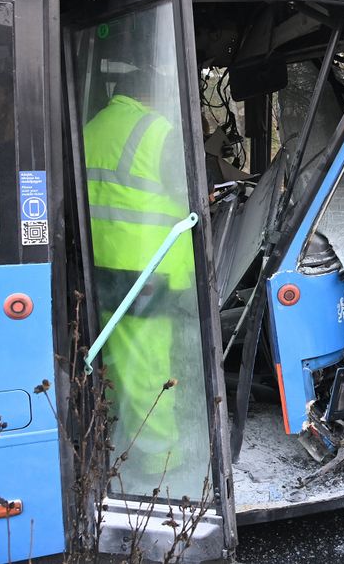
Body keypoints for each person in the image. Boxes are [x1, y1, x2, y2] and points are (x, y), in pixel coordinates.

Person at [82, 71, 195, 480]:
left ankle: (115, 441)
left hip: (104, 264)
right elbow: (189, 192)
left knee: (117, 359)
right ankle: (156, 462)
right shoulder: (156, 131)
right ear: (150, 94)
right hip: (148, 268)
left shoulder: (92, 127)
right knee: (149, 368)